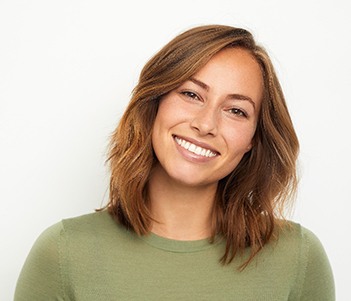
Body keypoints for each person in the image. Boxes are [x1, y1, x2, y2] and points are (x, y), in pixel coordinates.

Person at [14, 25, 335, 300]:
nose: (206, 124)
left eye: (236, 110)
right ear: (154, 102)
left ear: (254, 139)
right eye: (191, 94)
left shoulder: (298, 259)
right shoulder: (64, 253)